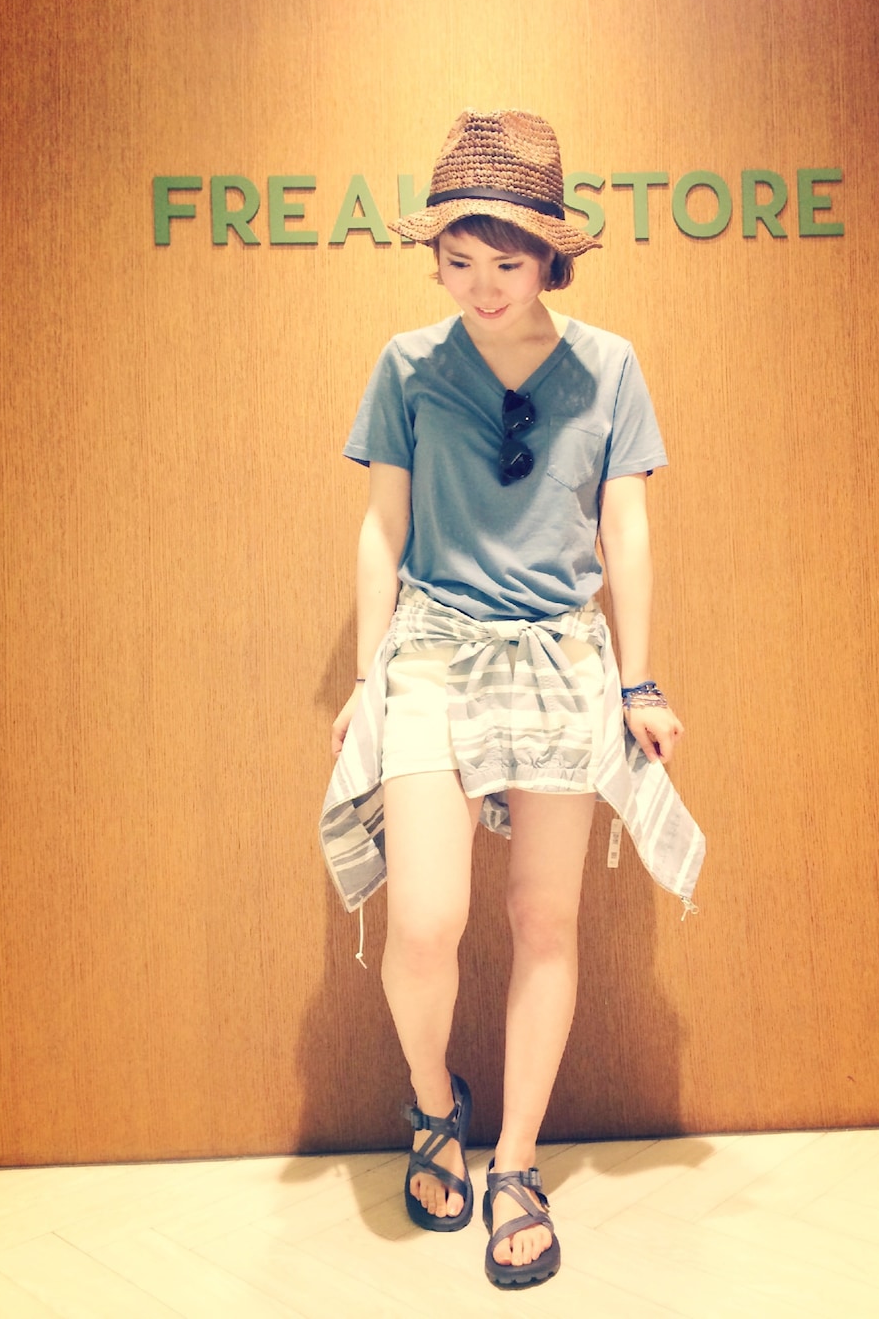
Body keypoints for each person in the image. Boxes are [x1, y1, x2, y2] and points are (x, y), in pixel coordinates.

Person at [321, 108, 704, 1289]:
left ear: (549, 257)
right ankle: (434, 1106)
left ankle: (517, 1161)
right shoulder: (406, 364)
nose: (481, 287)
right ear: (434, 259)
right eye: (458, 261)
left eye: (506, 262)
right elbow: (383, 527)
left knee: (545, 917)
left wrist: (637, 678)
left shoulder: (609, 366)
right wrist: (368, 674)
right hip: (434, 648)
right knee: (424, 920)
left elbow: (625, 528)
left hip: (559, 654)